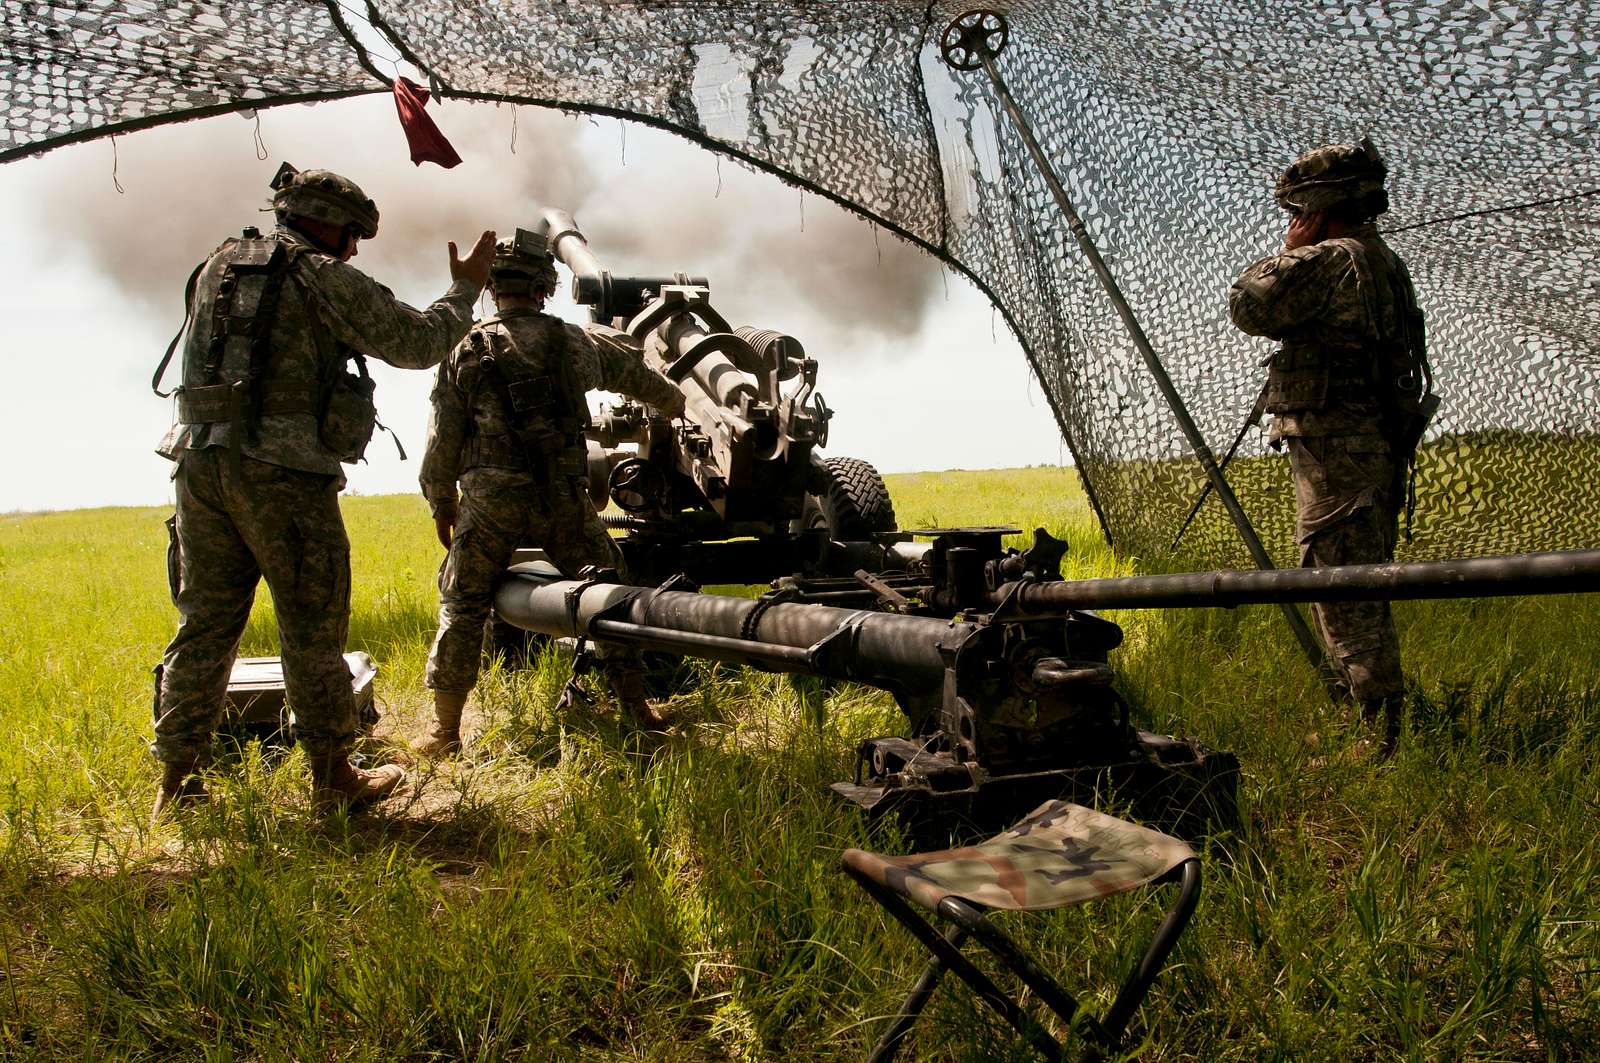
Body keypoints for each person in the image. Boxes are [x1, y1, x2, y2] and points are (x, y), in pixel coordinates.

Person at [150, 162, 495, 819]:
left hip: (200, 464)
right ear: (328, 225)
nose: (356, 248)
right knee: (312, 626)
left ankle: (176, 786)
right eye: (353, 235)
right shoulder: (319, 275)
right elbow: (419, 341)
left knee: (203, 627)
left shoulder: (216, 265)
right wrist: (464, 289)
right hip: (282, 477)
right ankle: (334, 774)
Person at [417, 224, 685, 756]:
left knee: (464, 603)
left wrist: (442, 504)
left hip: (490, 504)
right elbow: (643, 380)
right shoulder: (574, 342)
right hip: (564, 498)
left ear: (493, 288)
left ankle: (443, 732)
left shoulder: (463, 349)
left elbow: (442, 443)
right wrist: (676, 404)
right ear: (545, 288)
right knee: (610, 593)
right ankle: (637, 709)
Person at [1228, 140, 1435, 751]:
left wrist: (1289, 252)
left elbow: (1249, 304)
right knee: (1350, 582)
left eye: (1298, 212)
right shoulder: (1381, 261)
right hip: (1367, 447)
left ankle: (1380, 736)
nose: (1293, 224)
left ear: (1317, 209)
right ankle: (1365, 713)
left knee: (1343, 587)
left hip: (1340, 450)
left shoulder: (1330, 260)